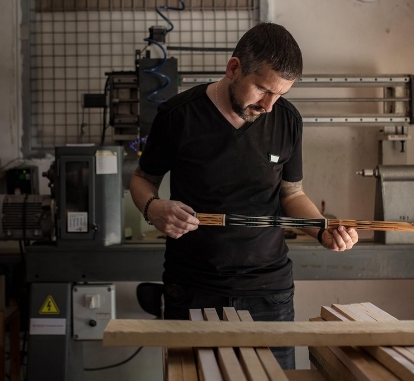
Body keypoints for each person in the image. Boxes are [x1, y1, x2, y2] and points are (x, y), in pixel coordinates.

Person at [129, 22, 359, 369]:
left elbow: (292, 193)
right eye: (263, 90)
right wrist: (153, 207)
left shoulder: (287, 120)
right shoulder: (178, 116)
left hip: (269, 291)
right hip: (193, 286)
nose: (269, 105)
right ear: (234, 68)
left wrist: (322, 229)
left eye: (280, 95)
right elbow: (142, 179)